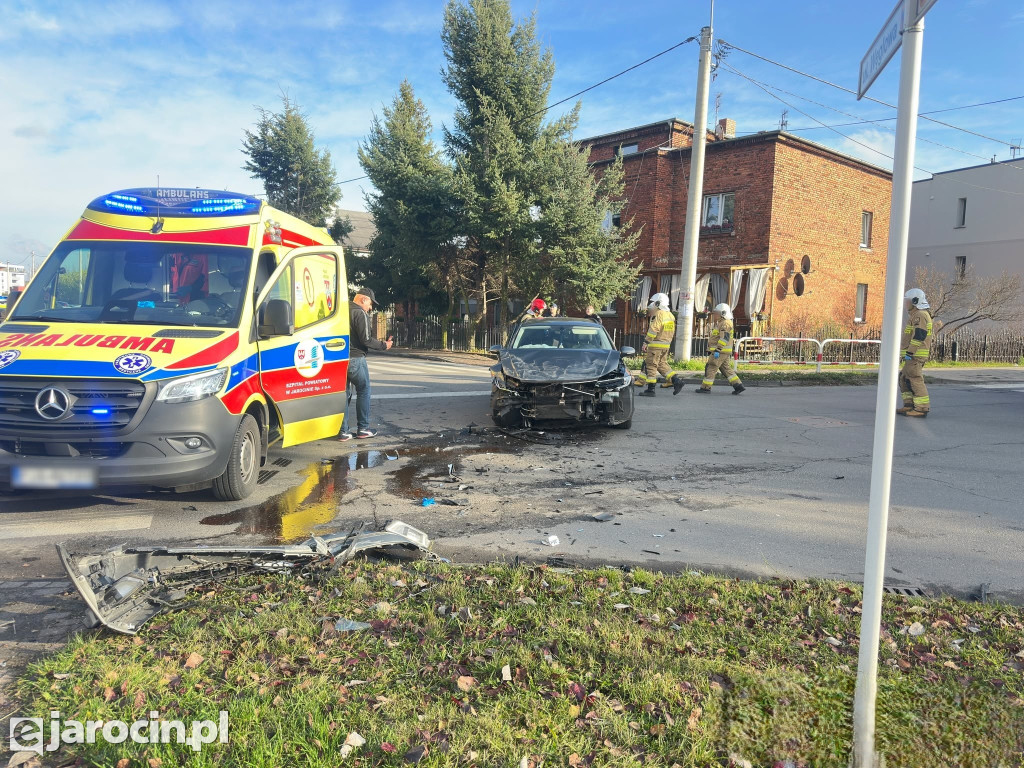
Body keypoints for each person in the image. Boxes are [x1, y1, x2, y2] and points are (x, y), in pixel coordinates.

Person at [339, 288, 393, 440]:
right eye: (370, 304)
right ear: (363, 299)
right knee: (363, 390)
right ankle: (363, 428)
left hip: (340, 358)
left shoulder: (341, 310)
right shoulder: (359, 313)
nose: (370, 308)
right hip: (356, 358)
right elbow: (366, 340)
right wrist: (384, 345)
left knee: (344, 394)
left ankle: (343, 431)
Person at [638, 292, 685, 397]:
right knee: (661, 364)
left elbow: (654, 329)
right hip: (666, 345)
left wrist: (646, 342)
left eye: (653, 303)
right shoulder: (670, 315)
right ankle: (676, 380)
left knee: (651, 365)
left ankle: (650, 389)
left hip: (655, 345)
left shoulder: (659, 314)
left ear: (658, 303)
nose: (652, 305)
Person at [695, 303, 744, 395]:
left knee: (711, 367)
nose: (715, 315)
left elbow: (724, 338)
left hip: (720, 351)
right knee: (726, 369)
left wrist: (718, 350)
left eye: (717, 313)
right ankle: (738, 385)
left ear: (723, 313)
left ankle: (706, 388)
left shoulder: (725, 323)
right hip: (723, 351)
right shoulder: (722, 323)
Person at [899, 288, 933, 418]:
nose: (905, 304)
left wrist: (910, 352)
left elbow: (920, 335)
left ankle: (921, 408)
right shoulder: (915, 315)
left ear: (915, 301)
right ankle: (909, 404)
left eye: (907, 301)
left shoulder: (920, 315)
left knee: (914, 379)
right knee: (903, 378)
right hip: (912, 355)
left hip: (915, 355)